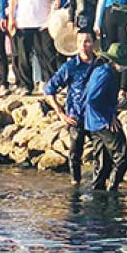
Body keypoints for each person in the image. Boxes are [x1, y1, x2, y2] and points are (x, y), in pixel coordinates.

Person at [45, 30, 102, 185]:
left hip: (96, 117)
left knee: (101, 152)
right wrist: (61, 114)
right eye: (80, 42)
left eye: (87, 41)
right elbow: (49, 89)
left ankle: (99, 184)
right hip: (76, 116)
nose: (83, 46)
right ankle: (75, 182)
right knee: (75, 153)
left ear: (93, 43)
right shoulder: (70, 66)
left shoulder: (101, 64)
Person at [8, 0, 59, 94]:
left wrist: (53, 13)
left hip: (43, 19)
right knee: (23, 55)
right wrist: (11, 17)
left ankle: (49, 83)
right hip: (23, 19)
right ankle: (25, 85)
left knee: (47, 53)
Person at [83, 43, 127, 192]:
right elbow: (93, 99)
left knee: (102, 162)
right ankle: (112, 189)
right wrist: (108, 118)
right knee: (122, 157)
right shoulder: (106, 75)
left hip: (93, 123)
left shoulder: (100, 71)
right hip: (102, 123)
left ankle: (98, 191)